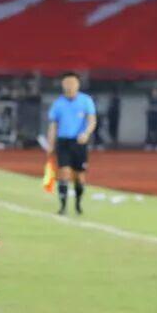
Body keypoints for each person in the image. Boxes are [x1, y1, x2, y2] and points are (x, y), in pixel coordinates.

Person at [45, 71, 97, 215]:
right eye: (67, 83)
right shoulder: (58, 104)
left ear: (78, 84)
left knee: (79, 176)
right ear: (63, 84)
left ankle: (78, 204)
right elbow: (53, 126)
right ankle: (63, 207)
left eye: (72, 83)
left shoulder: (86, 101)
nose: (70, 85)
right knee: (64, 172)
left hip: (79, 142)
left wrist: (86, 133)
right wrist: (50, 144)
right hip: (63, 142)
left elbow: (92, 120)